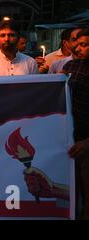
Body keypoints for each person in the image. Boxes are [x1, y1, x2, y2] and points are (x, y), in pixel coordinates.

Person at [62, 28, 89, 219]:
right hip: (69, 139)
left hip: (86, 143)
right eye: (77, 44)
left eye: (84, 44)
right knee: (70, 194)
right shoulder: (71, 66)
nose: (79, 48)